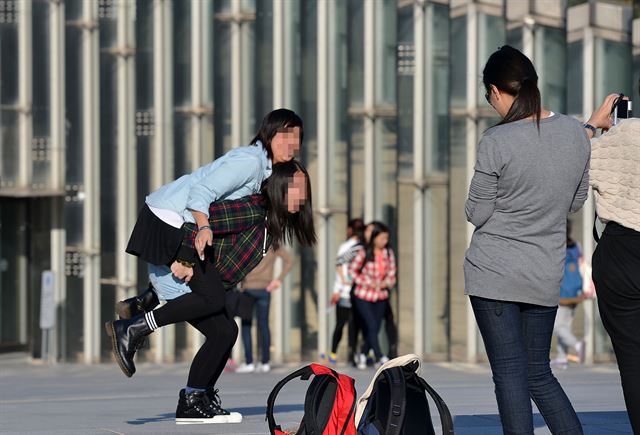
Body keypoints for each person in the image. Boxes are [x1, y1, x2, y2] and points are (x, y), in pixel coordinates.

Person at [105, 108, 312, 425]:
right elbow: (202, 213)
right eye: (298, 187)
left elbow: (221, 255)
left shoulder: (266, 217)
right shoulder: (252, 186)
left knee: (226, 331)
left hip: (179, 246)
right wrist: (186, 259)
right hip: (171, 228)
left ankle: (195, 398)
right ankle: (133, 327)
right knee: (214, 301)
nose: (303, 196)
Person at [464, 45, 589, 434]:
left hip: (495, 272)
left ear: (497, 90)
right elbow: (576, 201)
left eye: (489, 97)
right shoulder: (574, 131)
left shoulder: (496, 141)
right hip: (543, 271)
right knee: (538, 373)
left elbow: (477, 213)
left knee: (509, 375)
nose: (491, 106)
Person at [583, 92, 640, 434]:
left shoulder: (621, 135)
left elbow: (566, 160)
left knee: (633, 362)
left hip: (621, 252)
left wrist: (593, 126)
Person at [235, 246, 294, 374]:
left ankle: (249, 362)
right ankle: (265, 362)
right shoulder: (272, 244)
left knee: (246, 325)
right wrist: (278, 280)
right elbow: (289, 260)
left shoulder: (250, 239)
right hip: (265, 289)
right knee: (264, 325)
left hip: (247, 289)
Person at [349, 221, 397, 369]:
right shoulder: (363, 252)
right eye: (382, 238)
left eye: (386, 238)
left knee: (375, 327)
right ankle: (379, 356)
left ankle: (363, 353)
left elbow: (392, 273)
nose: (385, 241)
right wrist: (368, 282)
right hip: (363, 295)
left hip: (381, 295)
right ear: (375, 238)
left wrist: (386, 283)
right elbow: (352, 271)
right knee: (371, 324)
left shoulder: (388, 253)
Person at [325, 218, 365, 364]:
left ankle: (333, 353)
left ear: (350, 230)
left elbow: (339, 267)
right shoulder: (362, 247)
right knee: (355, 325)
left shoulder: (346, 247)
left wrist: (337, 289)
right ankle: (354, 353)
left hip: (344, 291)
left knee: (340, 324)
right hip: (357, 291)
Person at [551, 220, 586, 369]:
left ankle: (577, 345)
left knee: (557, 326)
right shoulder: (576, 246)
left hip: (561, 290)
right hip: (575, 290)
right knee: (564, 325)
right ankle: (562, 358)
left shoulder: (555, 245)